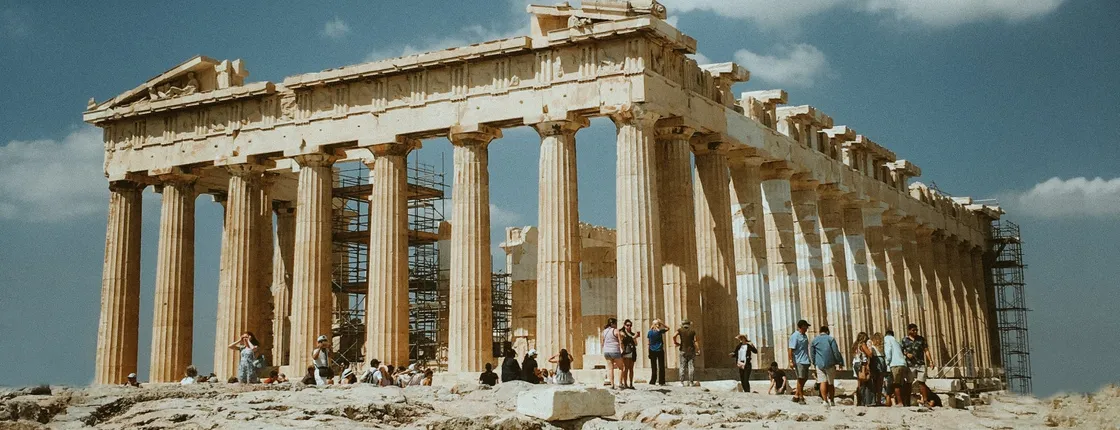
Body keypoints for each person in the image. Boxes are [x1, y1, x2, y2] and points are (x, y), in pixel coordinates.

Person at [809, 325, 844, 406]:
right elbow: (835, 352)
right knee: (830, 383)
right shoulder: (830, 339)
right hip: (830, 363)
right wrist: (840, 362)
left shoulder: (814, 340)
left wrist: (814, 362)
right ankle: (831, 400)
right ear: (827, 331)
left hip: (819, 364)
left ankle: (825, 401)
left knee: (822, 382)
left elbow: (812, 353)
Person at [902, 323, 934, 406]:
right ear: (909, 330)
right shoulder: (904, 340)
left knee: (922, 382)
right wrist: (906, 354)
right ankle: (907, 402)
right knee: (909, 383)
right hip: (910, 365)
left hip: (920, 363)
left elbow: (926, 350)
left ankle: (925, 400)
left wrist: (930, 361)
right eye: (913, 330)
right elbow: (901, 350)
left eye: (916, 330)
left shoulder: (921, 339)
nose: (915, 332)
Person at [883, 329, 909, 407]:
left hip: (895, 364)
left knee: (895, 384)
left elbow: (888, 352)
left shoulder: (887, 339)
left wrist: (887, 362)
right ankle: (903, 402)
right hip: (902, 363)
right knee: (901, 384)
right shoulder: (896, 341)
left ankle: (900, 402)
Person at [787, 320, 811, 403]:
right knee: (800, 379)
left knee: (805, 378)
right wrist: (790, 361)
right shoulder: (795, 336)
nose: (807, 328)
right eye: (806, 326)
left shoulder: (804, 336)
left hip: (806, 360)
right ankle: (801, 397)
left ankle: (796, 395)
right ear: (802, 326)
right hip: (798, 360)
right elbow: (790, 349)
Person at [673, 319, 700, 387]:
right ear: (689, 324)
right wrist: (698, 349)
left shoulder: (680, 330)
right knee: (691, 366)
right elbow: (695, 341)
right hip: (691, 350)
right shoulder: (692, 331)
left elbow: (674, 335)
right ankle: (691, 382)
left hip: (683, 350)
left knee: (682, 366)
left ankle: (681, 382)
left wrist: (675, 342)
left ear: (683, 324)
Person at [601, 318, 624, 389]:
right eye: (615, 323)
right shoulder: (615, 330)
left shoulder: (603, 332)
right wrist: (622, 350)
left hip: (606, 351)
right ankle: (620, 383)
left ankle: (612, 384)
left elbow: (602, 343)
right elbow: (620, 342)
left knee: (610, 368)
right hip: (615, 350)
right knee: (621, 367)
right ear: (612, 324)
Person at [852, 332, 872, 406]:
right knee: (864, 382)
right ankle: (864, 401)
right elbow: (869, 354)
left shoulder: (855, 345)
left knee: (859, 382)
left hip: (856, 363)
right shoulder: (862, 344)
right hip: (862, 364)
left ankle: (859, 401)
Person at [647, 319, 670, 386]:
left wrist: (648, 351)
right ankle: (661, 381)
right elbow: (668, 328)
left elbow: (648, 343)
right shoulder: (659, 332)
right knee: (661, 366)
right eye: (658, 324)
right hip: (659, 350)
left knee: (653, 366)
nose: (659, 326)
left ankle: (653, 381)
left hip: (651, 350)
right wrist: (662, 322)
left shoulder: (649, 332)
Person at [619, 319, 639, 389]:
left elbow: (636, 343)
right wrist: (633, 337)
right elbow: (623, 340)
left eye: (630, 325)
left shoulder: (633, 334)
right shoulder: (622, 333)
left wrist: (634, 338)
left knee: (631, 368)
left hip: (632, 352)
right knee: (626, 368)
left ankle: (631, 383)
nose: (629, 327)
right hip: (626, 352)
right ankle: (625, 383)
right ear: (624, 325)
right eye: (627, 325)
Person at [870, 332, 888, 406]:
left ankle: (874, 400)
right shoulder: (883, 346)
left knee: (873, 382)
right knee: (880, 383)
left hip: (874, 360)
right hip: (882, 360)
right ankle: (879, 400)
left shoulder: (872, 345)